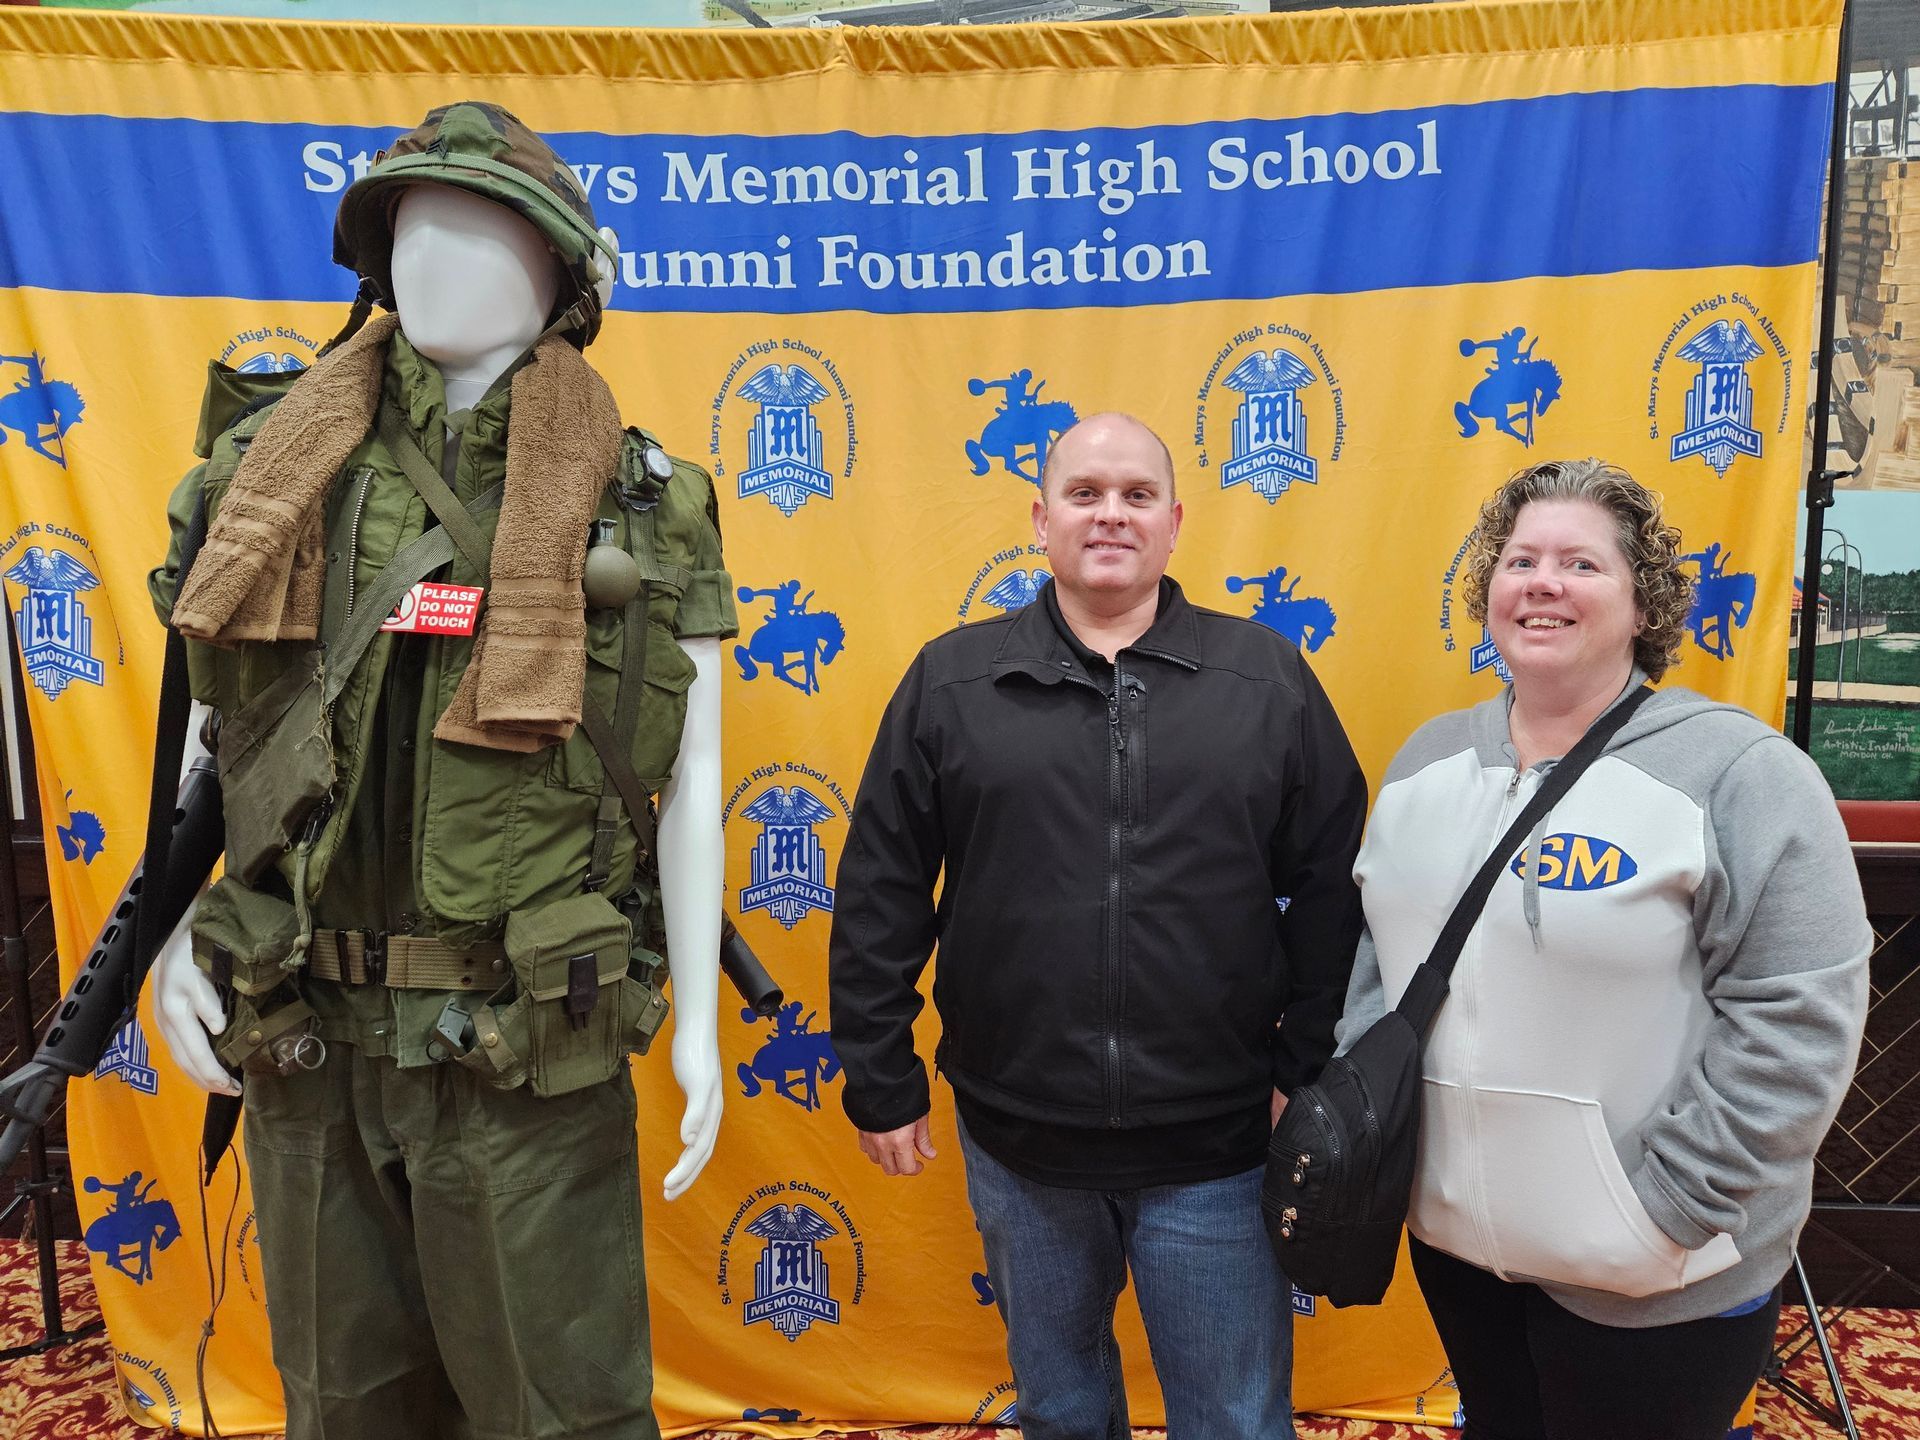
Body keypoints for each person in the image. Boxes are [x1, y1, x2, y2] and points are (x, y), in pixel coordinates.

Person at [145, 103, 733, 1440]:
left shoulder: (643, 500)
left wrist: (695, 1018)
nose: (436, 262)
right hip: (308, 1032)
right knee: (344, 1406)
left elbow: (690, 781)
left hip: (523, 1048)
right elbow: (210, 741)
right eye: (412, 230)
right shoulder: (266, 477)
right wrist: (172, 934)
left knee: (558, 1408)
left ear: (562, 277)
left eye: (482, 231)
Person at [828, 412, 1367, 1440]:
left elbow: (1337, 890)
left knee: (1237, 1420)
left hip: (1217, 1147)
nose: (1109, 514)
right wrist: (880, 1071)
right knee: (1063, 1410)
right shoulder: (953, 682)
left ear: (1174, 523)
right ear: (1040, 520)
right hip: (1020, 1140)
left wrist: (1307, 1067)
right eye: (1084, 494)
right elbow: (881, 888)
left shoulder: (1268, 683)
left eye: (1134, 496)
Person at [1336, 458, 1870, 1440]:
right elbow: (1380, 965)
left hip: (1659, 1271)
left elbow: (1798, 1022)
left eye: (1581, 564)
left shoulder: (1742, 775)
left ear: (1642, 602)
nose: (1542, 582)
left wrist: (1667, 1208)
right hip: (1461, 1248)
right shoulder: (1424, 762)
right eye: (1520, 559)